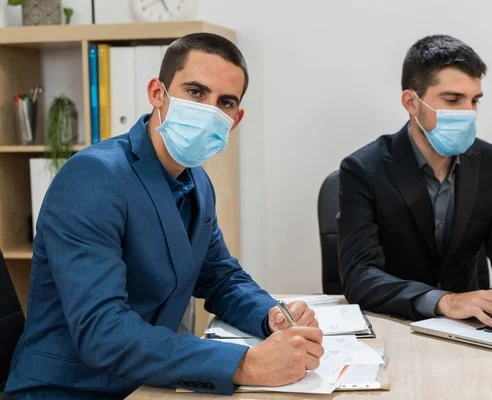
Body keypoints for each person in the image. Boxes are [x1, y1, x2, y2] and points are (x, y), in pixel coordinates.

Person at [5, 33, 323, 399]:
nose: (209, 111)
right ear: (158, 93)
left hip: (147, 382)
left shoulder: (197, 181)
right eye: (196, 92)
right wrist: (244, 364)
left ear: (235, 120)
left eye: (225, 102)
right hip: (69, 389)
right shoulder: (93, 177)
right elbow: (102, 332)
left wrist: (271, 315)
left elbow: (220, 277)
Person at [338, 35, 492, 328]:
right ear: (412, 102)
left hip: (473, 328)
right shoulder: (363, 168)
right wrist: (443, 301)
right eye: (452, 100)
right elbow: (360, 276)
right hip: (394, 324)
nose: (468, 112)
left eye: (474, 100)